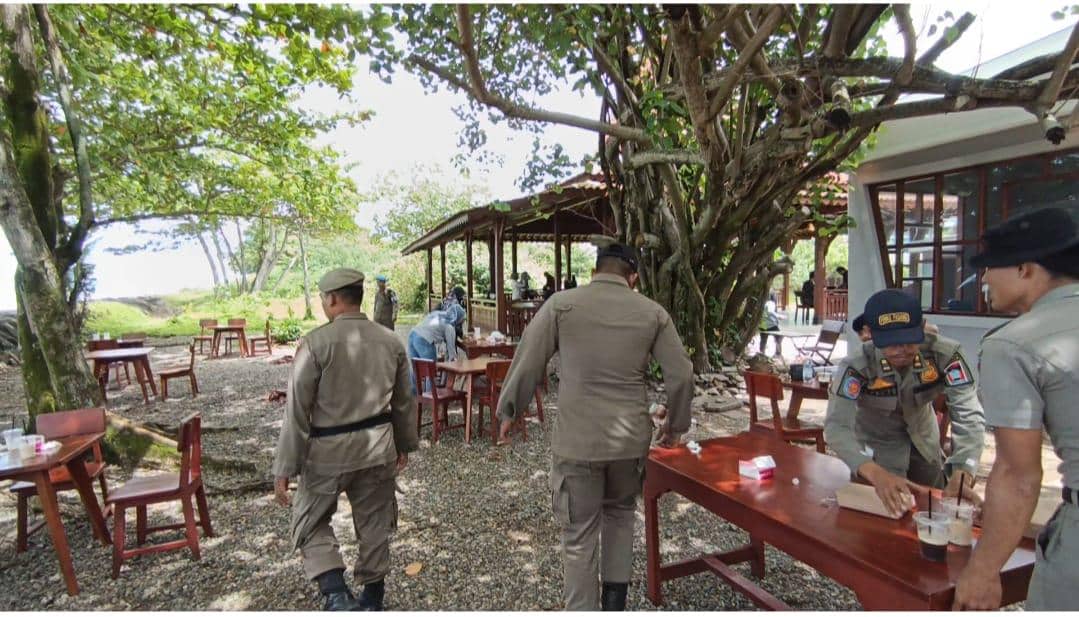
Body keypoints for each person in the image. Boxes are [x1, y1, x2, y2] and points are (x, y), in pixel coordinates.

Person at [495, 242, 694, 611]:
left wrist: (510, 410)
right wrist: (676, 426)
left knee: (579, 536)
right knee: (620, 517)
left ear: (593, 271)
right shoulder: (652, 313)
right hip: (629, 443)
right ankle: (614, 606)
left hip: (577, 442)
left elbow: (528, 359)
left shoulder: (561, 305)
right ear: (632, 277)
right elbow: (681, 375)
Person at [954, 206, 1079, 611]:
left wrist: (983, 569)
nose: (984, 278)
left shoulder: (1014, 344)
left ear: (1026, 269)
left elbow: (1017, 473)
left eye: (990, 266)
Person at [272, 268, 418, 611]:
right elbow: (403, 401)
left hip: (327, 453)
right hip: (378, 447)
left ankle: (335, 592)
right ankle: (372, 597)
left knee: (309, 520)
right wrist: (404, 444)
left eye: (324, 298)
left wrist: (285, 466)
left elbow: (297, 411)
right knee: (374, 521)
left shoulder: (315, 344)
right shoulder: (390, 341)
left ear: (333, 298)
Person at [823, 288, 985, 516]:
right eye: (890, 343)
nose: (901, 350)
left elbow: (969, 416)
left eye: (909, 340)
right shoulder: (857, 366)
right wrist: (872, 472)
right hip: (876, 457)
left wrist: (963, 470)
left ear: (922, 327)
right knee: (875, 530)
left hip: (926, 450)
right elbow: (836, 427)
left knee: (934, 517)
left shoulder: (945, 356)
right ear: (869, 333)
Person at [758, 291, 783, 356]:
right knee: (779, 336)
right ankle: (778, 353)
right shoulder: (771, 303)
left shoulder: (764, 303)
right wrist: (779, 316)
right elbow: (770, 312)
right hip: (769, 325)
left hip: (762, 325)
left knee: (763, 339)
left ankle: (761, 352)